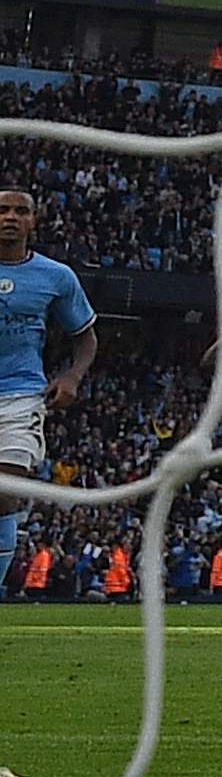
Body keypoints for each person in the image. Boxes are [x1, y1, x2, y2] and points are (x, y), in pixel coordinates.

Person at [0, 189, 98, 590]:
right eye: (2, 210)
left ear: (33, 221)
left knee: (6, 492)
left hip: (21, 395)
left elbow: (86, 338)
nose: (10, 217)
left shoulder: (56, 276)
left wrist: (72, 376)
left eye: (20, 211)